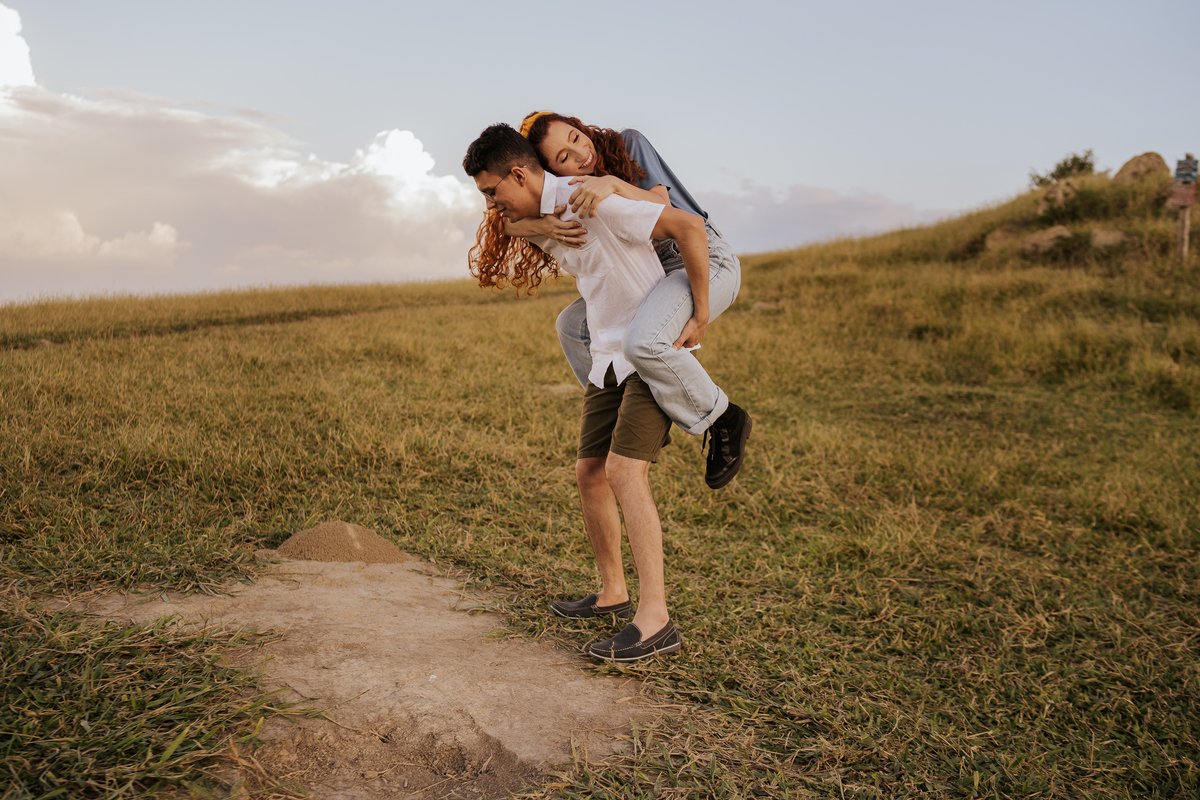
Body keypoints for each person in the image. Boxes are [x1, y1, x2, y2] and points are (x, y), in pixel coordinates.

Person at [464, 122, 706, 661]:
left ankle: (656, 621)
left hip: (646, 347)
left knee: (624, 471)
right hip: (606, 357)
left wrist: (702, 314)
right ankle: (613, 593)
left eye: (491, 191)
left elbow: (688, 227)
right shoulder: (542, 213)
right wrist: (534, 223)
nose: (490, 203)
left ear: (520, 174)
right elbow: (513, 227)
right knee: (590, 472)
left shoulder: (593, 200)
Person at [470, 111, 750, 490]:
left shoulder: (626, 144)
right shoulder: (572, 192)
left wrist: (612, 184)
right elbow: (506, 221)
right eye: (563, 159)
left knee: (642, 342)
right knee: (571, 325)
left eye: (575, 137)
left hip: (701, 257)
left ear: (582, 127)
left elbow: (665, 208)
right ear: (551, 172)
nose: (578, 152)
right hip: (660, 271)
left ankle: (724, 418)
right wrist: (544, 224)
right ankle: (633, 408)